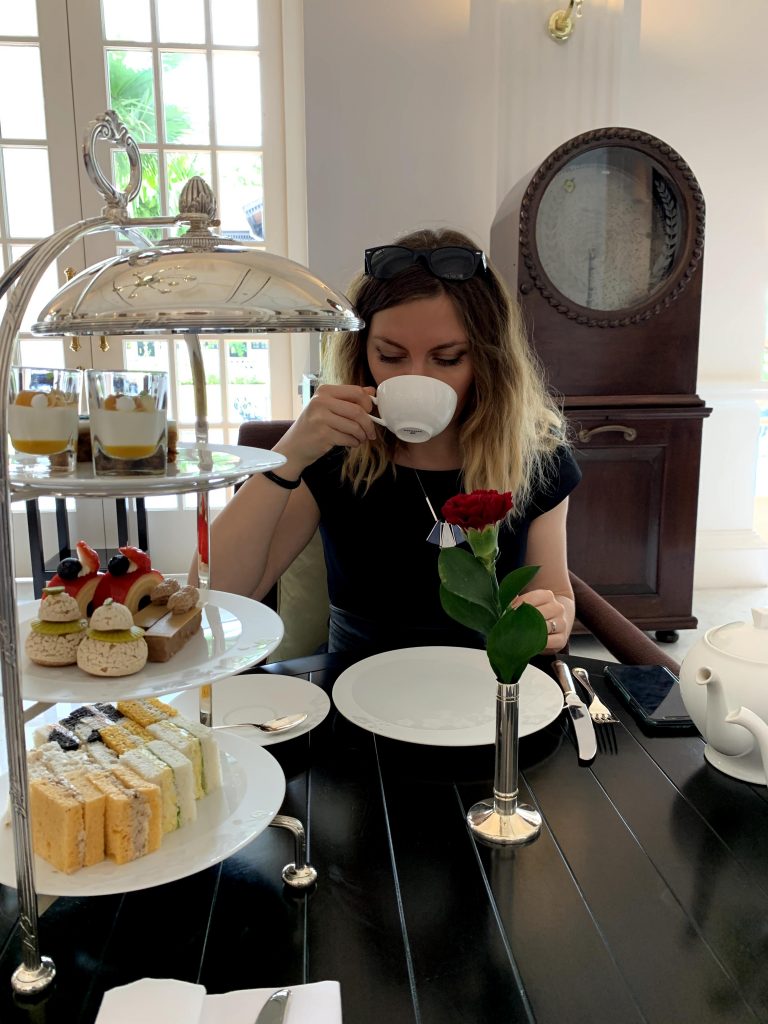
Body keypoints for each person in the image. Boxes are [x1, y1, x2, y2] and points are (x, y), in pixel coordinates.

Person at [199, 227, 581, 657]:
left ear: (489, 361)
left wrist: (555, 618)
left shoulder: (534, 455)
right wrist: (289, 453)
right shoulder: (335, 452)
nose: (415, 377)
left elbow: (556, 595)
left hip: (483, 686)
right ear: (362, 352)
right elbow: (217, 593)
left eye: (448, 358)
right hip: (353, 685)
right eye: (390, 355)